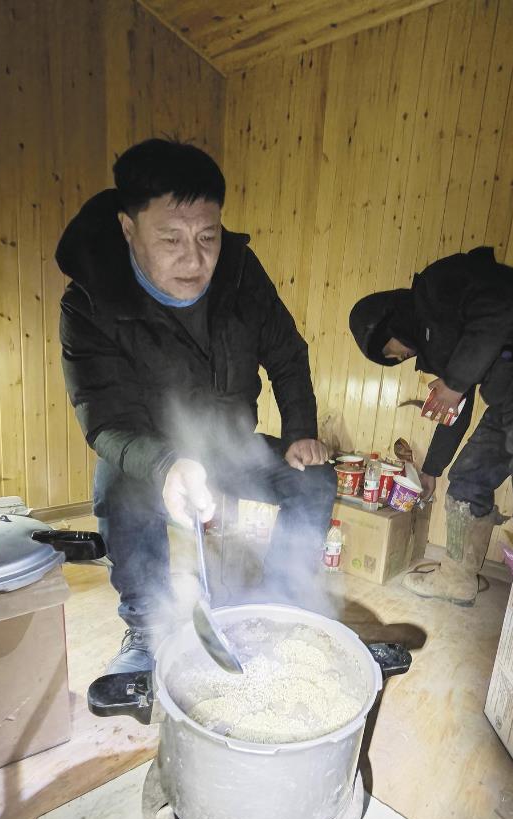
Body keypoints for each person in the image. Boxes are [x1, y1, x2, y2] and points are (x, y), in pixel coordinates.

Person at [57, 139, 334, 672]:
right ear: (128, 228)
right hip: (154, 458)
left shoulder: (239, 270)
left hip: (231, 446)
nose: (194, 259)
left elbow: (286, 351)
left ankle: (279, 608)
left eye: (208, 237)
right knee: (115, 485)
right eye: (171, 239)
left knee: (314, 477)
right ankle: (147, 629)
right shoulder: (90, 302)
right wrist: (167, 465)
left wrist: (300, 429)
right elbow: (107, 422)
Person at [349, 247, 513, 606]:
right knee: (468, 477)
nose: (397, 358)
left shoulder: (437, 287)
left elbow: (500, 306)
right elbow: (458, 407)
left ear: (388, 325)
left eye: (388, 352)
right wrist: (431, 470)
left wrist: (454, 383)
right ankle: (456, 580)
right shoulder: (441, 341)